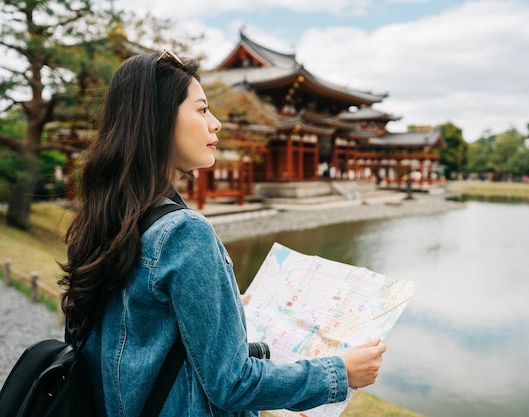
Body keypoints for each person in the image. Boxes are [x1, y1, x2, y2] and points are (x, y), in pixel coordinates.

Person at [58, 51, 386, 417]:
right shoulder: (184, 232)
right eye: (201, 110)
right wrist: (341, 372)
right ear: (159, 119)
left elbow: (134, 329)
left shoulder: (105, 219)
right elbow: (232, 384)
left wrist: (217, 306)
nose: (215, 124)